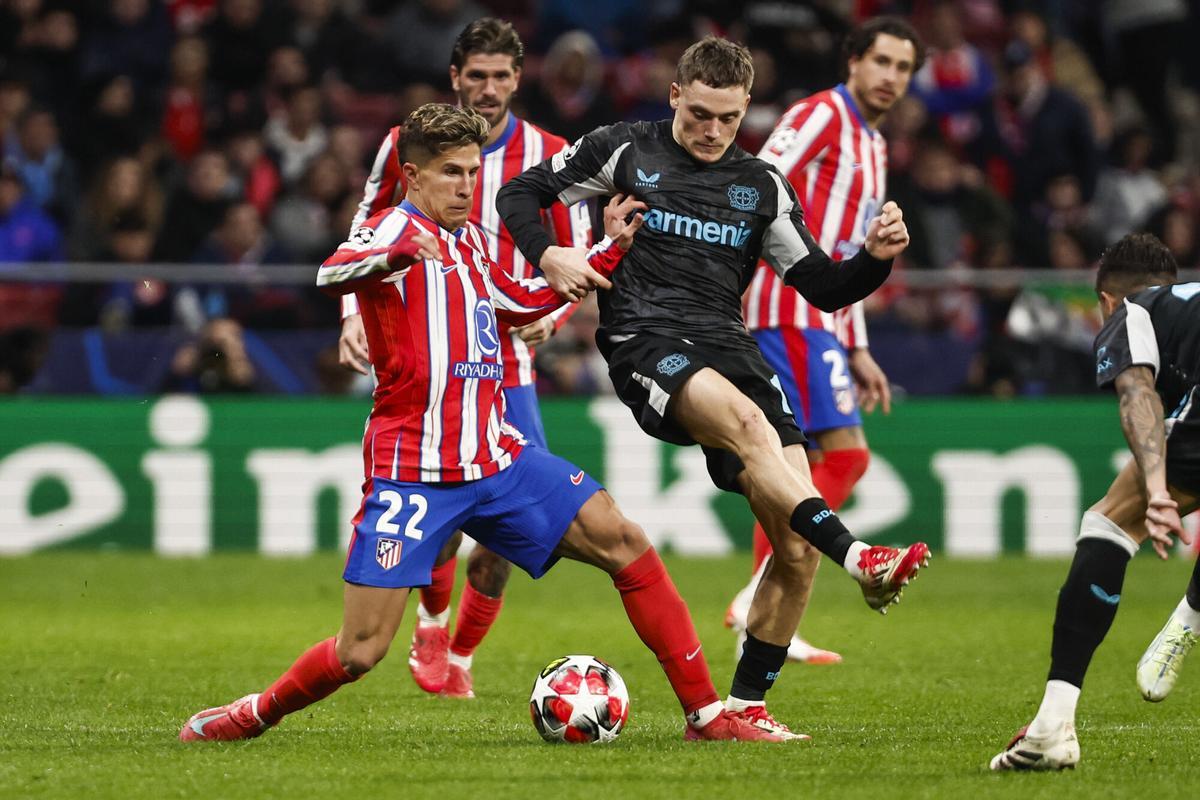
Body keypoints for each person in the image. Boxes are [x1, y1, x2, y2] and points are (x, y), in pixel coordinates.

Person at [179, 103, 782, 744]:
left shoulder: (467, 240)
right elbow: (331, 271)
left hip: (498, 459)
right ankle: (253, 714)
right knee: (360, 651)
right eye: (450, 173)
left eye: (472, 171)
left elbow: (520, 301)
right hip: (415, 474)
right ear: (412, 176)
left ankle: (707, 716)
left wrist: (607, 249)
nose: (467, 186)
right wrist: (389, 259)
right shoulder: (392, 230)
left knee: (625, 541)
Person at [497, 35, 929, 740]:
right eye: (700, 113)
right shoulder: (623, 149)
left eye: (727, 119)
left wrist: (874, 261)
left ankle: (742, 709)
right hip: (648, 342)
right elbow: (523, 191)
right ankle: (861, 555)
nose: (711, 131)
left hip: (734, 350)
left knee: (793, 546)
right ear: (675, 95)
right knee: (753, 432)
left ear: (745, 110)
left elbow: (821, 286)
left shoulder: (761, 186)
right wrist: (548, 253)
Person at [338, 18, 591, 700]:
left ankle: (463, 657)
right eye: (475, 75)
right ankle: (431, 622)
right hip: (431, 353)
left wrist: (558, 317)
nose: (487, 88)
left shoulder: (549, 152)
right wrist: (351, 317)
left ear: (518, 78)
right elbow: (365, 230)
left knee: (509, 537)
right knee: (442, 516)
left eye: (500, 76)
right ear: (455, 78)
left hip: (511, 356)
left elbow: (576, 246)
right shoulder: (407, 144)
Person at [731, 16, 924, 665]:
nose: (892, 77)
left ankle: (762, 594)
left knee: (825, 459)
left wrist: (858, 343)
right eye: (884, 62)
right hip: (784, 305)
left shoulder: (873, 143)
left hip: (822, 318)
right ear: (853, 60)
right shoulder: (821, 114)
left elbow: (855, 248)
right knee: (825, 458)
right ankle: (762, 592)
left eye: (904, 68)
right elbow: (757, 181)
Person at [991, 233, 1200, 771]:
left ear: (1106, 298)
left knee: (1109, 522)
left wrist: (1155, 491)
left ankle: (1052, 728)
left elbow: (1136, 392)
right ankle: (1189, 615)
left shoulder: (1131, 310)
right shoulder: (1186, 306)